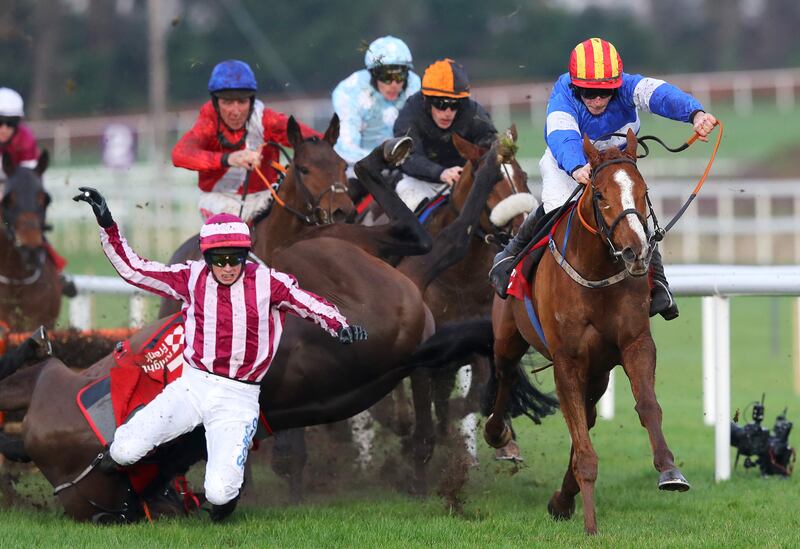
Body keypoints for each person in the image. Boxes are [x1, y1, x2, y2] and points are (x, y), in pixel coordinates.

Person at [74, 187, 367, 521]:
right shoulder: (190, 276)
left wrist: (340, 325)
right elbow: (134, 269)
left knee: (220, 491)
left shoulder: (270, 282)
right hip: (192, 386)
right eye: (219, 259)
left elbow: (311, 303)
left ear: (247, 254)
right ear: (205, 256)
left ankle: (218, 506)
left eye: (236, 258)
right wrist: (108, 224)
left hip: (238, 396)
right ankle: (132, 494)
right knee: (124, 451)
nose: (228, 267)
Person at [489, 37, 718, 320]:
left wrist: (695, 113)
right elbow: (562, 135)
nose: (597, 100)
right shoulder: (563, 95)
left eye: (605, 93)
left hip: (615, 162)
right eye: (588, 93)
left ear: (617, 84)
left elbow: (660, 95)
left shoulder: (628, 85)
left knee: (632, 210)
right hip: (570, 164)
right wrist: (576, 166)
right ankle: (511, 257)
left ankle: (658, 283)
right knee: (557, 205)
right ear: (575, 86)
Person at [172, 60, 322, 222]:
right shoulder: (208, 122)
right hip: (218, 199)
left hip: (266, 198)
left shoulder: (267, 119)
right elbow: (179, 154)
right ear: (216, 102)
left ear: (251, 102)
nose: (235, 111)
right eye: (227, 103)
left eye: (242, 102)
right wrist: (229, 159)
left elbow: (318, 142)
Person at [393, 58, 496, 212]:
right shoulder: (411, 113)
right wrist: (441, 173)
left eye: (454, 104)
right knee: (405, 192)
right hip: (420, 182)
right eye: (441, 104)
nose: (448, 113)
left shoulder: (473, 111)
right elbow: (407, 157)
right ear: (426, 100)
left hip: (463, 182)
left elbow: (491, 145)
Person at [0, 87, 75, 297]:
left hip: (16, 184)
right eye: (0, 122)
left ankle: (57, 272)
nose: (4, 128)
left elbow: (29, 181)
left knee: (30, 221)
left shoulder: (26, 140)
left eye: (11, 123)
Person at [332, 36, 420, 175]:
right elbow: (346, 146)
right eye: (386, 76)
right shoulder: (349, 90)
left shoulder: (415, 85)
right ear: (373, 73)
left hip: (405, 165)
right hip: (358, 167)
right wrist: (383, 160)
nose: (394, 84)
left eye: (400, 76)